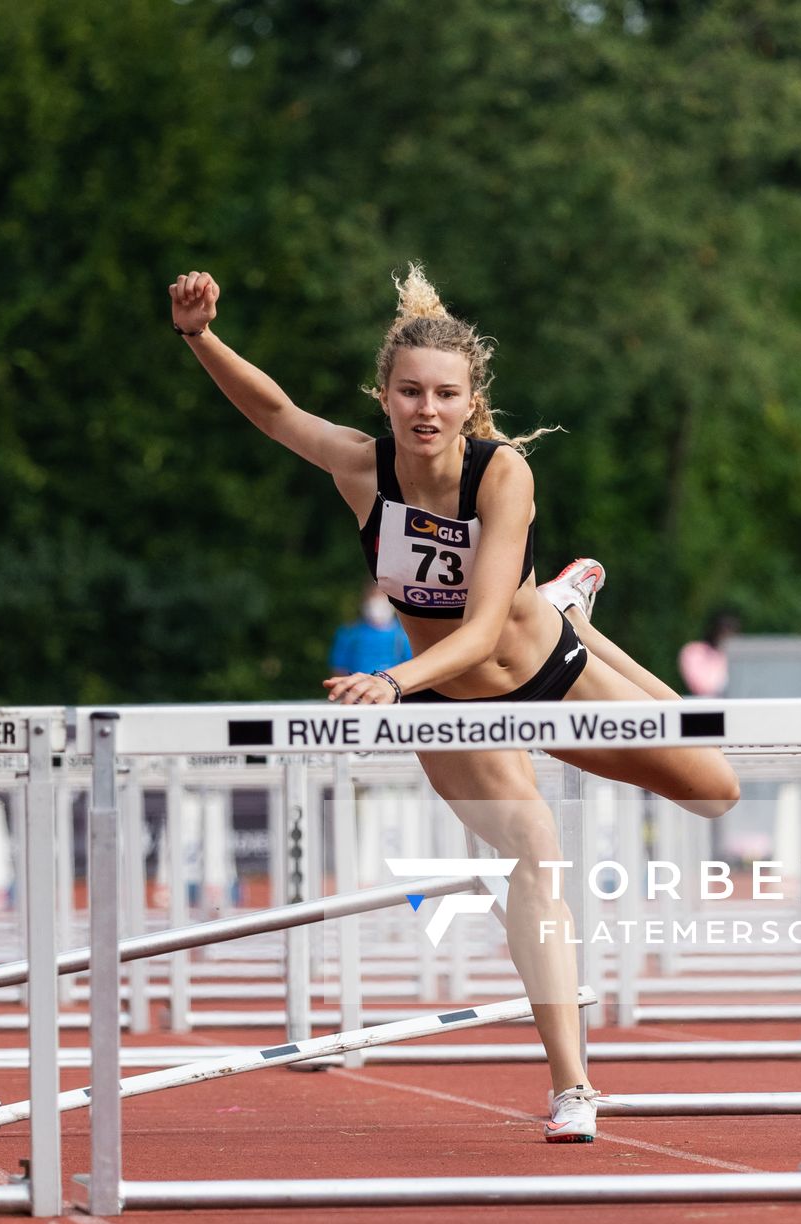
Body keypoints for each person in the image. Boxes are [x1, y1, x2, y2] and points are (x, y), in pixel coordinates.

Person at [170, 263, 740, 1143]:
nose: (424, 410)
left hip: (540, 672)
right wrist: (201, 338)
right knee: (534, 856)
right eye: (407, 393)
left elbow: (478, 628)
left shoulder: (501, 473)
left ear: (470, 402)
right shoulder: (362, 471)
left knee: (714, 790)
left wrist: (389, 681)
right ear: (384, 396)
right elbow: (278, 414)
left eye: (443, 395)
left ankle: (565, 607)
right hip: (449, 700)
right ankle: (573, 1084)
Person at [331, 583, 413, 676]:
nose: (378, 602)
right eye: (374, 596)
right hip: (358, 689)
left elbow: (412, 670)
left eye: (383, 596)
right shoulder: (349, 633)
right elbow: (339, 670)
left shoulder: (405, 635)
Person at [677, 610, 740, 698]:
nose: (727, 638)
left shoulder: (737, 656)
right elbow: (702, 686)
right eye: (723, 632)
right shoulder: (694, 651)